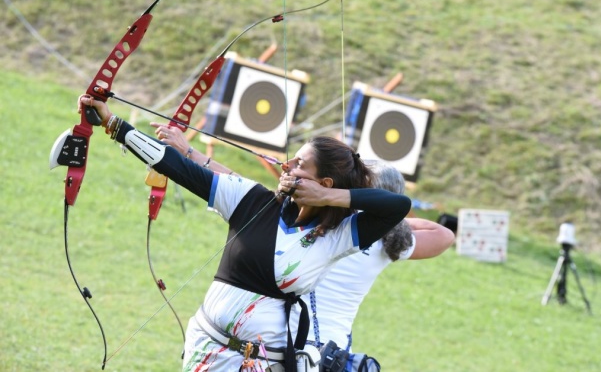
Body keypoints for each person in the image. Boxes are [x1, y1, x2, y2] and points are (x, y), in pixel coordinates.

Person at [76, 95, 412, 372]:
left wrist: (328, 198)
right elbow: (176, 167)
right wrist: (113, 124)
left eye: (299, 164)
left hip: (263, 364)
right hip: (206, 349)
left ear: (324, 183)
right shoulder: (251, 199)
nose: (286, 166)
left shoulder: (338, 235)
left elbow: (398, 205)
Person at [299, 162, 455, 371]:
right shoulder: (385, 241)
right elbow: (444, 236)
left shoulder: (325, 218)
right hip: (331, 349)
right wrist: (392, 223)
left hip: (290, 336)